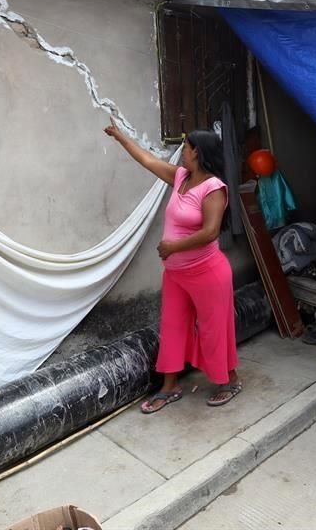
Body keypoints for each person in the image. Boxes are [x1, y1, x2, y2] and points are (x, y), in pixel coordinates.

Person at [104, 119, 241, 413]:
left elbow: (211, 231)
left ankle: (228, 380)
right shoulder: (181, 177)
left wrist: (172, 247)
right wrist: (120, 136)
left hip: (207, 272)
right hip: (177, 274)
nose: (183, 152)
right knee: (173, 326)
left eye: (187, 148)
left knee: (213, 329)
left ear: (198, 152)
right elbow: (147, 159)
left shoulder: (213, 188)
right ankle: (170, 386)